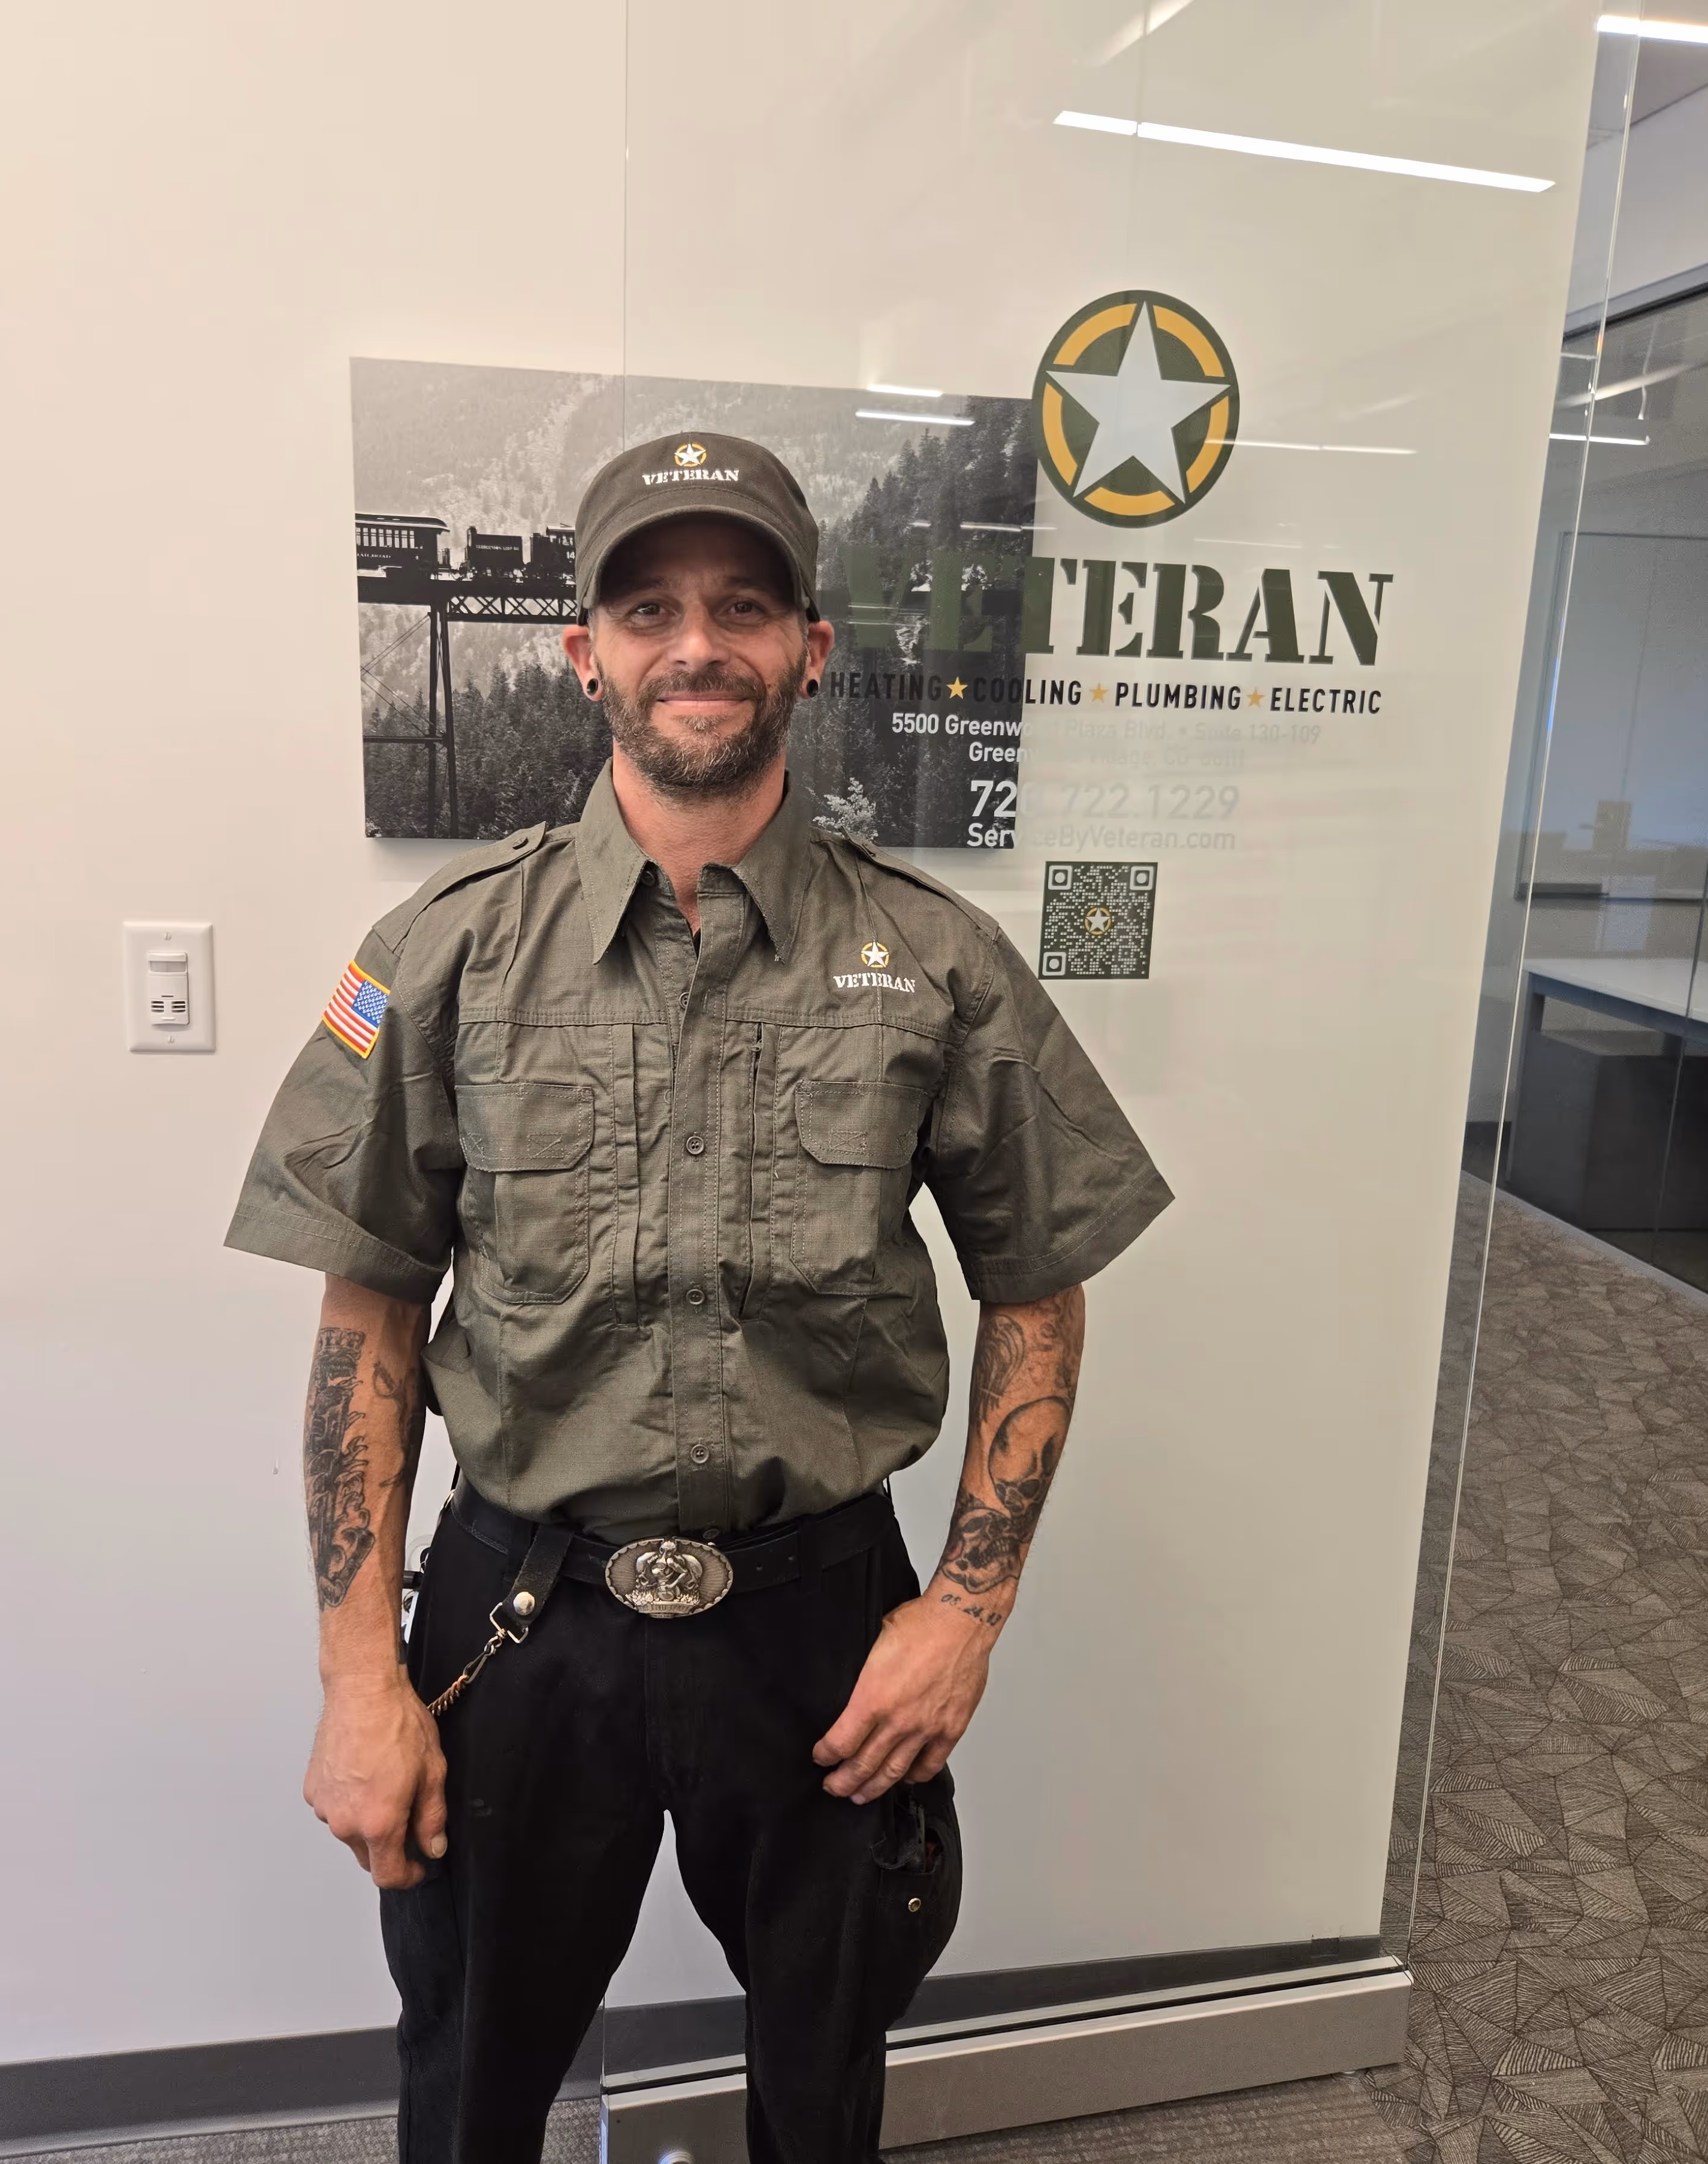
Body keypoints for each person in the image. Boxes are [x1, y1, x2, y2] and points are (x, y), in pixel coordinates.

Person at [225, 430, 1172, 2164]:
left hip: (818, 1619)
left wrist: (963, 1613)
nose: (696, 644)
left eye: (744, 605)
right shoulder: (441, 954)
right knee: (468, 2079)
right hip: (519, 1618)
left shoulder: (938, 961)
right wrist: (357, 1679)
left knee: (824, 2083)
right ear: (583, 651)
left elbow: (1038, 1290)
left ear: (811, 647)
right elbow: (363, 1316)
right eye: (647, 606)